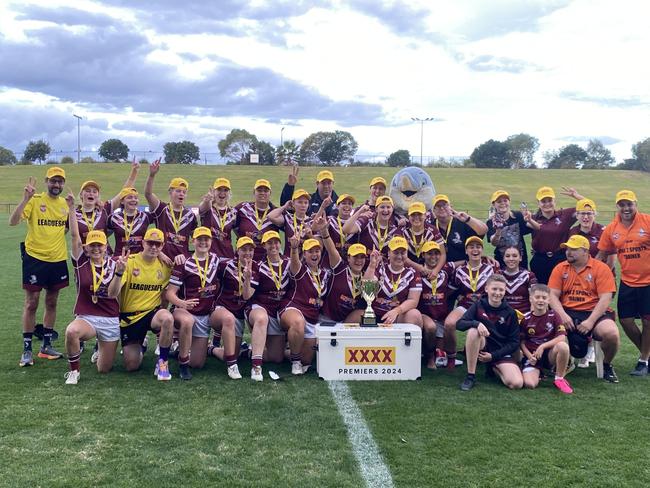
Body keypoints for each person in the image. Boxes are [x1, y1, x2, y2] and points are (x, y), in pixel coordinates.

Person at [10, 167, 69, 366]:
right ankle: (27, 349)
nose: (57, 185)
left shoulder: (64, 205)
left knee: (52, 302)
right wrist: (25, 199)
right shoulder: (35, 200)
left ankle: (45, 346)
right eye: (53, 181)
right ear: (46, 181)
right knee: (31, 303)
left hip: (57, 259)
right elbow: (13, 221)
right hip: (35, 259)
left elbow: (67, 228)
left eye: (60, 182)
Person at [63, 193, 122, 384]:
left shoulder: (115, 264)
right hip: (87, 317)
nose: (96, 248)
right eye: (92, 245)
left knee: (104, 369)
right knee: (72, 332)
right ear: (86, 247)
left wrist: (120, 273)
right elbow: (74, 235)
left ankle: (101, 348)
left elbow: (113, 294)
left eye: (100, 245)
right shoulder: (80, 261)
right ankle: (74, 372)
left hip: (110, 318)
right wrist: (72, 208)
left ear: (106, 247)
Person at [548, 235, 620, 383]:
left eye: (574, 249)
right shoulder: (560, 268)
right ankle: (560, 363)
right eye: (567, 249)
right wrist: (562, 315)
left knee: (612, 333)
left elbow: (605, 298)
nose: (569, 252)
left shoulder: (601, 268)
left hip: (593, 311)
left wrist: (590, 321)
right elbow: (552, 295)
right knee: (546, 328)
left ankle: (606, 365)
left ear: (585, 251)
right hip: (567, 310)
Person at [597, 190, 650, 376]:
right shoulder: (612, 229)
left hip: (649, 281)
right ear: (617, 206)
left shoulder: (647, 221)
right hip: (627, 281)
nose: (626, 208)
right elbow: (602, 254)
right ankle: (647, 354)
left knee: (647, 321)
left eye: (629, 204)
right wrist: (589, 270)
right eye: (622, 204)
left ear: (636, 204)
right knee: (626, 321)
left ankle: (643, 360)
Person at [113, 228, 174, 380]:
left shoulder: (165, 266)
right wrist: (119, 272)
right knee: (131, 366)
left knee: (167, 318)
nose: (154, 247)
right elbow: (113, 293)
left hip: (151, 313)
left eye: (158, 244)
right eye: (150, 243)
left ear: (162, 246)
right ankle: (141, 344)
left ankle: (163, 362)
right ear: (143, 243)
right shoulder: (130, 262)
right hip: (130, 318)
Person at [165, 227, 223, 380]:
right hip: (184, 311)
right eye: (200, 239)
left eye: (207, 239)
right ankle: (183, 364)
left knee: (197, 364)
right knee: (187, 321)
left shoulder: (216, 260)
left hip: (204, 315)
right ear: (193, 241)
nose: (203, 242)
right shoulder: (183, 262)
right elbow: (169, 293)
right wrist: (182, 303)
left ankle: (181, 351)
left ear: (211, 241)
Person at [457, 274, 523, 391]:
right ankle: (470, 376)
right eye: (494, 289)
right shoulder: (478, 305)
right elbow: (460, 324)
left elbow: (514, 342)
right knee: (473, 331)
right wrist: (476, 324)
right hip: (483, 346)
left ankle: (492, 367)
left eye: (501, 290)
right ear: (487, 289)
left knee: (516, 384)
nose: (497, 293)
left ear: (505, 291)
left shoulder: (510, 312)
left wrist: (493, 356)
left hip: (499, 351)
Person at [443, 236, 499, 369]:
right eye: (471, 247)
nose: (475, 250)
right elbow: (451, 290)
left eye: (478, 247)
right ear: (466, 251)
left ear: (482, 250)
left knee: (480, 330)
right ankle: (451, 357)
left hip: (485, 307)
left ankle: (482, 353)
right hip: (466, 306)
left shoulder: (491, 269)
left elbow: (499, 289)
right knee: (449, 323)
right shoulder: (459, 270)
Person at [280, 235, 332, 375]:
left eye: (317, 251)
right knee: (298, 322)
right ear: (305, 254)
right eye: (310, 251)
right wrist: (294, 248)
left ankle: (285, 352)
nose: (314, 254)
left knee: (307, 361)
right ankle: (295, 362)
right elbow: (294, 262)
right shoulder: (301, 269)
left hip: (312, 318)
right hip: (293, 309)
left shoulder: (325, 274)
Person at [209, 237, 258, 380]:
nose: (247, 253)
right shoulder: (225, 266)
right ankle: (232, 366)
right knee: (228, 319)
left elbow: (247, 296)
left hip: (239, 314)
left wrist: (247, 279)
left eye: (250, 249)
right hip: (222, 310)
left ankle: (211, 349)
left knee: (228, 354)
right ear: (237, 250)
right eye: (244, 249)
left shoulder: (257, 269)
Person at [520, 284, 572, 394]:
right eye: (537, 297)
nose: (540, 300)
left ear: (548, 300)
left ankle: (559, 379)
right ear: (531, 299)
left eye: (544, 298)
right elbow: (522, 342)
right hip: (533, 357)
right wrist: (529, 356)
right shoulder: (525, 318)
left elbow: (562, 336)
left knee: (563, 346)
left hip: (549, 355)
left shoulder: (554, 315)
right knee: (530, 384)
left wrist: (543, 346)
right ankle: (539, 373)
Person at [73, 160, 140, 246]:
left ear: (98, 195)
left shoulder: (104, 209)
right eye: (88, 191)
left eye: (94, 191)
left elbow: (124, 192)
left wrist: (134, 171)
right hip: (84, 257)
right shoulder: (73, 214)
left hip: (104, 256)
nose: (91, 193)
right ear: (81, 195)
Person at [251, 231, 292, 365]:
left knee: (276, 358)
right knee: (261, 319)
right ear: (263, 245)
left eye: (276, 242)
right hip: (262, 308)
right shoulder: (258, 266)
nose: (273, 245)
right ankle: (256, 365)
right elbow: (248, 295)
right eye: (269, 243)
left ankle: (246, 352)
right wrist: (246, 280)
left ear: (280, 244)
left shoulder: (289, 263)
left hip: (280, 310)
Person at [362, 237, 423, 327]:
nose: (399, 256)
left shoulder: (412, 273)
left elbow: (413, 300)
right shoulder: (380, 268)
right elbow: (368, 291)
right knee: (356, 316)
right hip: (375, 314)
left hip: (397, 316)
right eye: (396, 252)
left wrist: (396, 311)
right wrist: (372, 265)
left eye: (403, 253)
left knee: (415, 315)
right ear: (389, 253)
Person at [530, 186, 584, 284]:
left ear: (555, 201)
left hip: (560, 259)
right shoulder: (533, 218)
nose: (547, 204)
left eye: (550, 200)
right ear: (538, 203)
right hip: (539, 260)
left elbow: (587, 206)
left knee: (561, 292)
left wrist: (576, 196)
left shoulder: (565, 215)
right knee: (541, 293)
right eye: (543, 201)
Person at [145, 159, 198, 259]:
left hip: (182, 262)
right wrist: (152, 175)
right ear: (170, 192)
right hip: (162, 259)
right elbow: (148, 194)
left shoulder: (190, 215)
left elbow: (196, 240)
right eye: (178, 191)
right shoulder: (161, 209)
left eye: (184, 192)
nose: (181, 194)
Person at [417, 241, 455, 369]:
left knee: (445, 331)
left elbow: (463, 262)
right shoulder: (416, 272)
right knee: (431, 327)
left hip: (441, 316)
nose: (433, 257)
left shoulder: (446, 271)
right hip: (424, 315)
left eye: (436, 254)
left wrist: (484, 257)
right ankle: (430, 357)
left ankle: (445, 355)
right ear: (423, 255)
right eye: (429, 254)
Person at [427, 194, 487, 263]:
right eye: (438, 206)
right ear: (433, 210)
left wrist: (468, 219)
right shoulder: (430, 227)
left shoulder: (462, 222)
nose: (442, 208)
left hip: (463, 268)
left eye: (445, 205)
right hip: (439, 269)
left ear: (451, 207)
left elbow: (483, 230)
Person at [320, 240, 368, 324]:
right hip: (327, 319)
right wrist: (325, 233)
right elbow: (331, 249)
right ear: (348, 258)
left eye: (362, 257)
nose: (359, 260)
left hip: (346, 322)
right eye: (355, 256)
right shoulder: (340, 268)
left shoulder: (365, 277)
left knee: (364, 314)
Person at [486, 190, 536, 269]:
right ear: (494, 204)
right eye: (499, 201)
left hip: (520, 262)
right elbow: (494, 243)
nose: (503, 203)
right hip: (502, 263)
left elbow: (536, 228)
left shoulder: (517, 216)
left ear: (509, 202)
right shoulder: (490, 222)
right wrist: (498, 231)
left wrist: (530, 219)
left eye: (505, 200)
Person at [234, 179, 278, 261]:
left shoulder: (275, 212)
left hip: (266, 262)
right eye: (259, 190)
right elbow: (229, 224)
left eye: (266, 190)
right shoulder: (243, 208)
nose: (262, 193)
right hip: (243, 258)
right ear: (254, 192)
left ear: (270, 193)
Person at [108, 187, 154, 256]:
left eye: (136, 198)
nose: (133, 200)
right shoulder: (113, 218)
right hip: (120, 259)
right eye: (129, 197)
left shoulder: (145, 216)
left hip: (140, 259)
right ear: (122, 201)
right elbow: (104, 234)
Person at [198, 177, 237, 258]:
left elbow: (239, 232)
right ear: (214, 191)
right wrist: (207, 200)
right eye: (219, 189)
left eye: (225, 190)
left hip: (227, 256)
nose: (222, 193)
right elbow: (202, 208)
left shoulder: (233, 212)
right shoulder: (209, 207)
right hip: (208, 257)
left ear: (229, 193)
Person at [268, 189, 312, 256]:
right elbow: (270, 216)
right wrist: (285, 206)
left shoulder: (311, 221)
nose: (303, 205)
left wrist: (310, 235)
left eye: (306, 203)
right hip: (288, 261)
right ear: (293, 204)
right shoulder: (288, 217)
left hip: (305, 262)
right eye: (300, 202)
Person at [501, 246, 537, 315]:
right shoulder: (498, 274)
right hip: (503, 316)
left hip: (524, 315)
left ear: (520, 258)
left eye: (515, 256)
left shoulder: (529, 275)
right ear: (503, 258)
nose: (511, 259)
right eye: (507, 256)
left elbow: (534, 298)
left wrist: (531, 317)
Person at [324, 193, 358, 265]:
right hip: (330, 263)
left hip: (350, 264)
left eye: (349, 204)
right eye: (343, 203)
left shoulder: (356, 224)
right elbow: (314, 228)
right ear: (337, 206)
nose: (347, 206)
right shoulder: (330, 220)